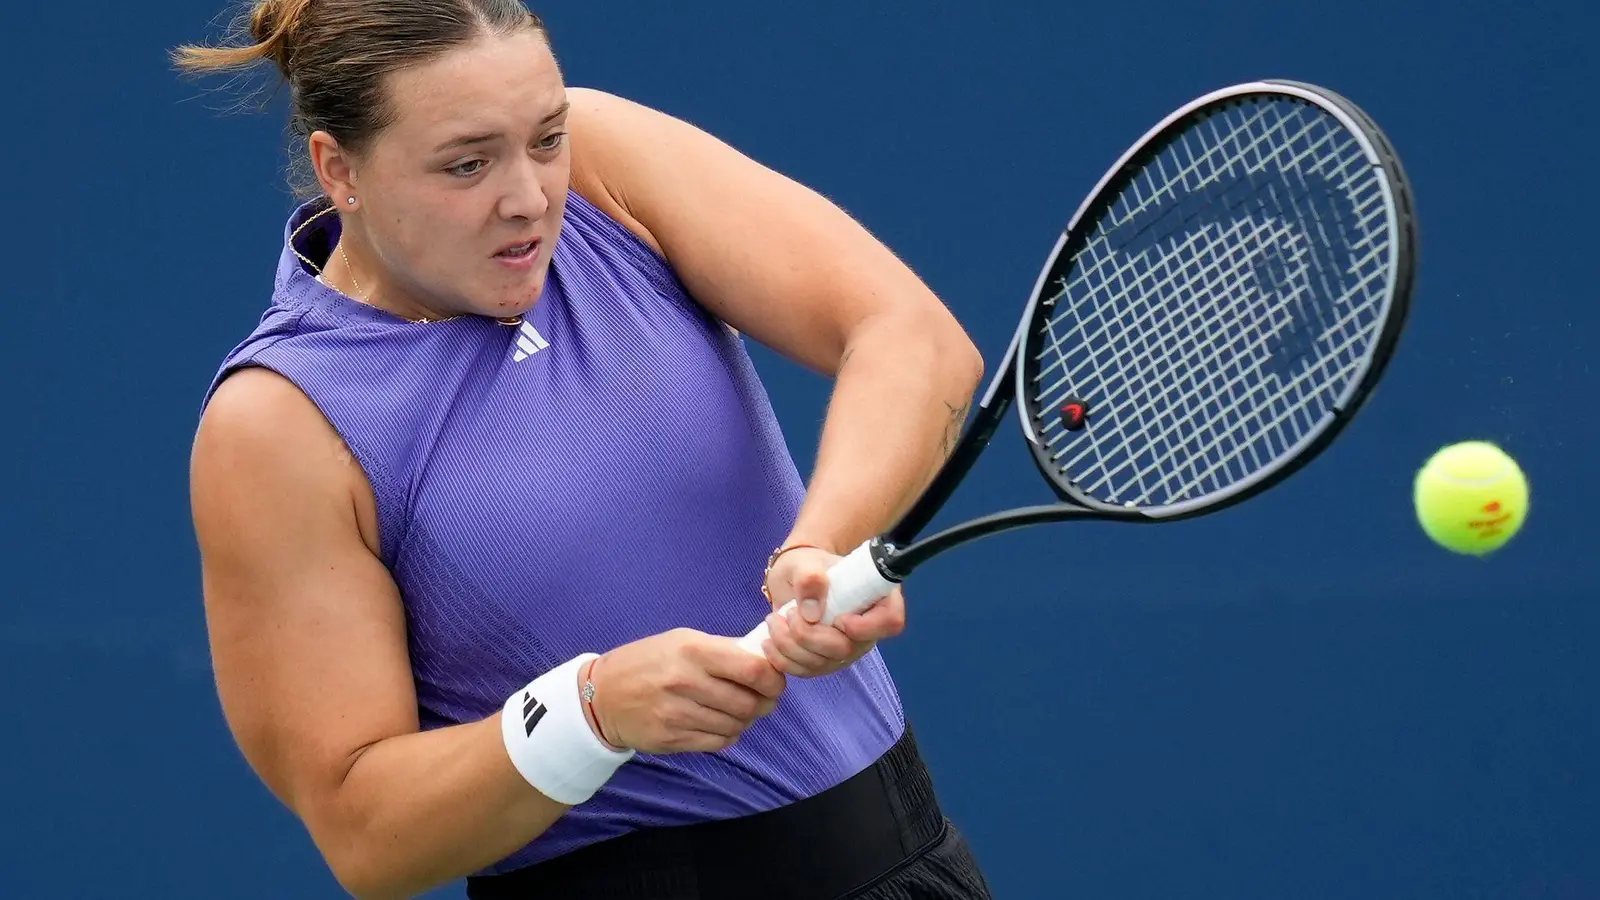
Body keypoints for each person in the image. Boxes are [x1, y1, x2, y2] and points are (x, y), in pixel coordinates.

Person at [177, 1, 992, 898]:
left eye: (545, 138)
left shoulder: (603, 167)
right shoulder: (281, 421)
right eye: (467, 163)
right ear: (341, 169)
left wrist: (820, 547)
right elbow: (369, 837)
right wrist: (591, 712)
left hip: (910, 866)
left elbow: (911, 337)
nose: (528, 197)